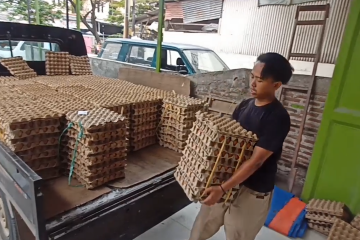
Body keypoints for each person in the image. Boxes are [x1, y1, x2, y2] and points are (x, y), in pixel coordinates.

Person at [189, 52, 293, 240]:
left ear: (276, 85)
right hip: (227, 177)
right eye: (252, 76)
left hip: (253, 189)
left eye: (259, 80)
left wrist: (222, 188)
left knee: (238, 235)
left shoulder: (277, 117)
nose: (252, 83)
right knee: (202, 226)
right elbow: (228, 143)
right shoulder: (244, 106)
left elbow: (256, 162)